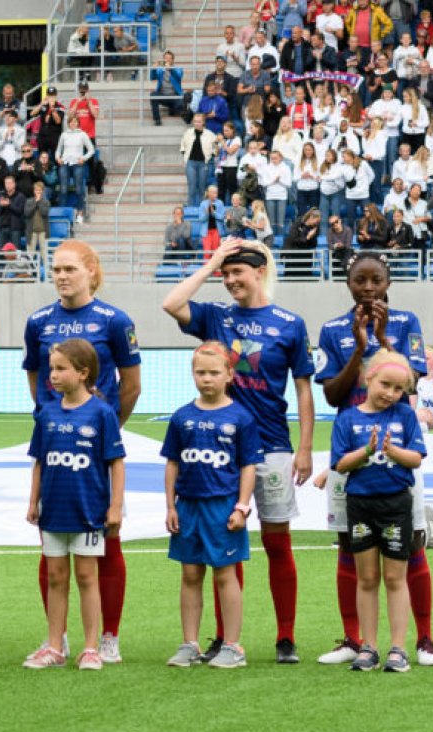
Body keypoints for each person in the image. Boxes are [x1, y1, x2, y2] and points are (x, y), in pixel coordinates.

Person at [161, 238, 315, 663]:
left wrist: (304, 447)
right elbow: (171, 303)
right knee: (223, 540)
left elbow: (303, 390)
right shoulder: (216, 316)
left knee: (277, 540)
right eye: (225, 275)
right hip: (221, 452)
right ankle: (225, 637)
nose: (230, 281)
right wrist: (210, 262)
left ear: (259, 271)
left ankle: (286, 637)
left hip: (272, 448)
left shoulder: (289, 323)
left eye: (237, 273)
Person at [315, 252, 433, 667]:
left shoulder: (406, 324)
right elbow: (332, 394)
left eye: (376, 280)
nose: (368, 288)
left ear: (388, 281)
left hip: (399, 448)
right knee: (350, 546)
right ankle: (356, 639)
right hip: (352, 450)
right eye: (360, 280)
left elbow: (410, 380)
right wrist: (360, 349)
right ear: (347, 282)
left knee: (411, 545)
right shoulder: (333, 329)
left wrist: (384, 341)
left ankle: (423, 640)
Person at [23, 241, 140, 662]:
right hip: (56, 446)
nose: (61, 276)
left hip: (94, 450)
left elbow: (132, 385)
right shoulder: (37, 322)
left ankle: (107, 634)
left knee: (108, 541)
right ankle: (59, 638)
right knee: (51, 543)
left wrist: (102, 431)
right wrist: (56, 423)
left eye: (70, 268)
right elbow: (35, 379)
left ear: (92, 271)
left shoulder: (115, 321)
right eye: (56, 269)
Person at [23, 338, 124, 671]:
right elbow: (39, 460)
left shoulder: (101, 413)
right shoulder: (47, 412)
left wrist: (114, 506)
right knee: (55, 576)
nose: (52, 375)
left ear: (83, 373)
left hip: (88, 511)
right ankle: (54, 646)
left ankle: (92, 648)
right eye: (51, 368)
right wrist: (33, 500)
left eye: (60, 368)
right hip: (53, 510)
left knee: (86, 576)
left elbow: (116, 463)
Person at [162, 342, 262, 669]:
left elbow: (248, 466)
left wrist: (242, 506)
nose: (206, 379)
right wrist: (171, 506)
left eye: (214, 373)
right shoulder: (181, 417)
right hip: (188, 506)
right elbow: (172, 464)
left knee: (225, 574)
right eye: (200, 372)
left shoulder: (241, 418)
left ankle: (233, 646)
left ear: (229, 375)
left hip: (223, 508)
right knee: (190, 573)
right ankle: (189, 643)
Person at [329, 350, 427, 674]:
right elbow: (340, 464)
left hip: (396, 504)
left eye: (399, 389)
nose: (391, 394)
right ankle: (368, 647)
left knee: (395, 578)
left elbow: (416, 458)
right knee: (367, 578)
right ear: (368, 378)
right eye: (385, 384)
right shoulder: (347, 419)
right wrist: (367, 451)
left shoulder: (405, 416)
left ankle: (398, 648)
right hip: (360, 505)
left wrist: (391, 451)